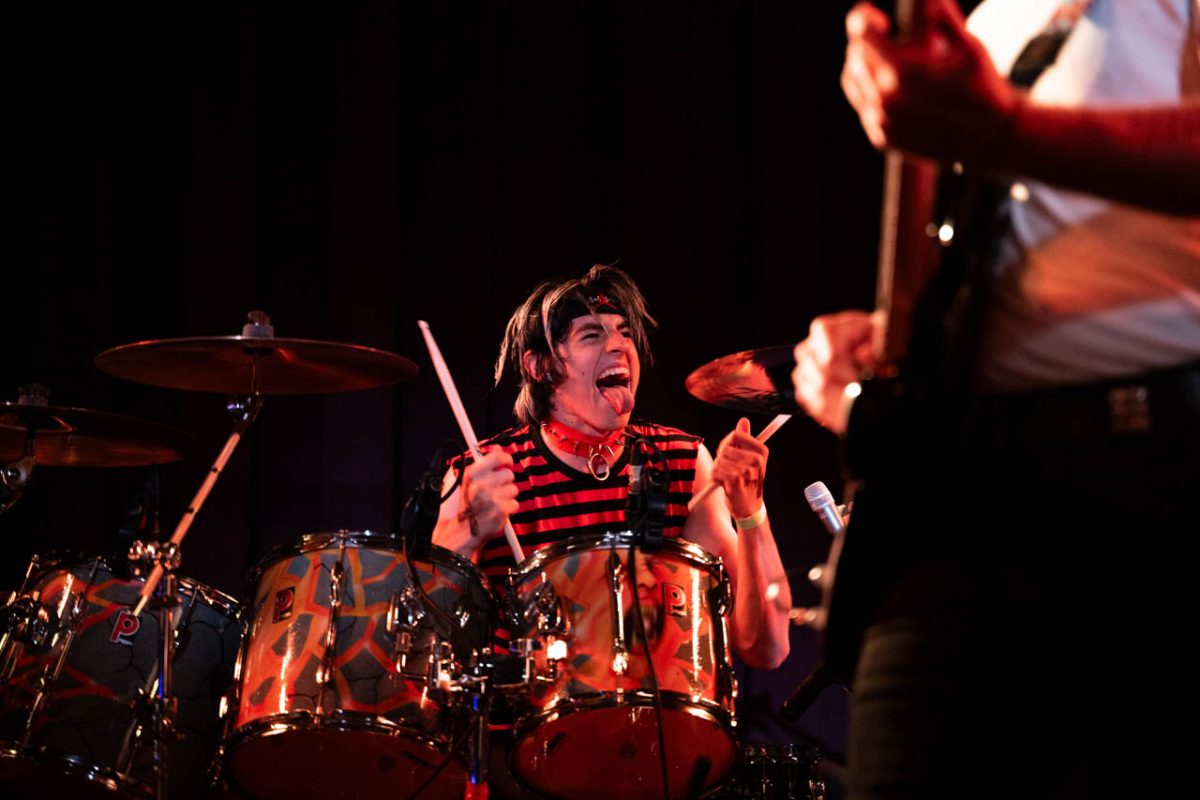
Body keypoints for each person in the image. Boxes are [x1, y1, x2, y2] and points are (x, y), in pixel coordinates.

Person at [792, 0, 1199, 797]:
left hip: (1150, 498)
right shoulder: (992, 23)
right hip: (958, 506)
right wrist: (884, 348)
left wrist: (1005, 128)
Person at [433, 264, 791, 671]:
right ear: (541, 367)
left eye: (624, 332)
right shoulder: (484, 472)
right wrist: (464, 535)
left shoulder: (680, 460)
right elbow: (426, 643)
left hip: (660, 726)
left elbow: (766, 650)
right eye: (592, 334)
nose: (621, 346)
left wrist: (751, 514)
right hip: (523, 728)